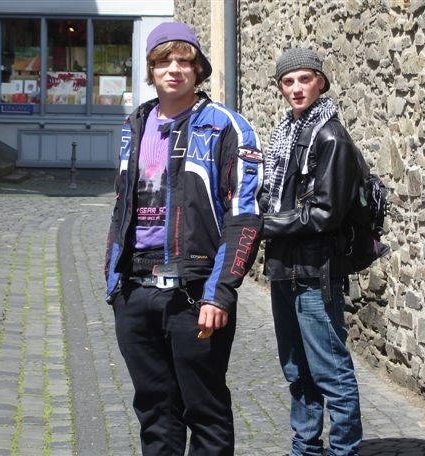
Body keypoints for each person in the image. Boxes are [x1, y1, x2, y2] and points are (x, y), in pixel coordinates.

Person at [104, 22, 263, 456]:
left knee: (205, 411)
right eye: (163, 61)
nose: (174, 69)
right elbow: (121, 207)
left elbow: (245, 217)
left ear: (198, 69)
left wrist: (219, 292)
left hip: (194, 293)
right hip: (134, 290)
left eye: (184, 61)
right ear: (151, 70)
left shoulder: (225, 127)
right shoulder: (134, 125)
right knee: (155, 412)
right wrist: (114, 283)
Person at [260, 48, 363, 456]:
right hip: (283, 269)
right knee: (296, 371)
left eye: (305, 79)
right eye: (288, 81)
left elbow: (325, 212)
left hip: (316, 272)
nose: (297, 88)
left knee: (331, 371)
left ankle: (343, 451)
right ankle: (304, 448)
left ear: (321, 82)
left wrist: (264, 225)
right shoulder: (285, 134)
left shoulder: (330, 136)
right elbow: (276, 194)